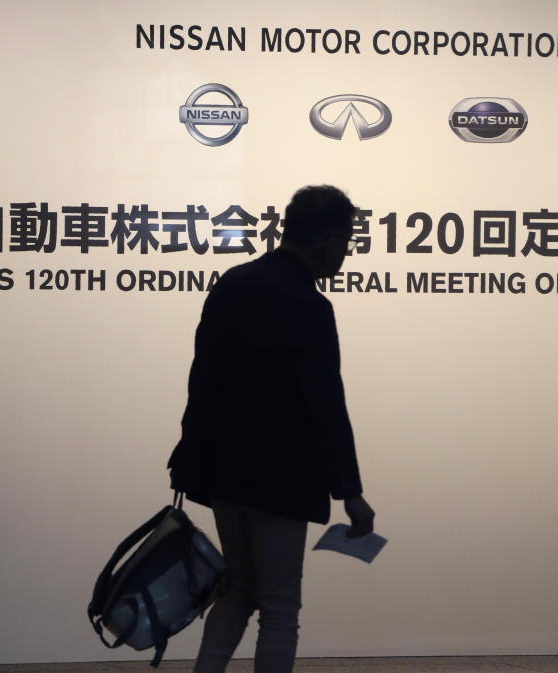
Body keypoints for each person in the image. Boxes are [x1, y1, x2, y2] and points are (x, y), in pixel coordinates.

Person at [167, 185, 375, 673]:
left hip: (223, 471)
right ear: (326, 241)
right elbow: (326, 404)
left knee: (240, 587)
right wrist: (350, 491)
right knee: (280, 606)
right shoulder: (310, 306)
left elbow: (201, 380)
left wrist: (190, 456)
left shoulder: (233, 283)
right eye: (347, 242)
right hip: (281, 478)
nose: (346, 254)